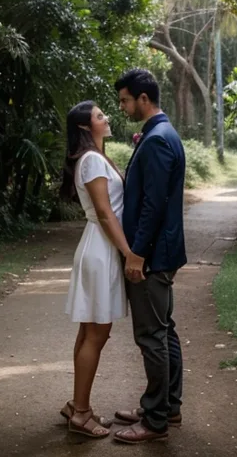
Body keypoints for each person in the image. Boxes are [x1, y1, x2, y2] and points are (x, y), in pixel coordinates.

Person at [113, 69, 187, 445]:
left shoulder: (157, 139)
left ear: (144, 98)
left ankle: (155, 419)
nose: (122, 107)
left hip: (153, 254)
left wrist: (137, 253)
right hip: (162, 252)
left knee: (151, 335)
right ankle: (167, 406)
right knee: (164, 329)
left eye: (125, 100)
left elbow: (153, 205)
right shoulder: (162, 133)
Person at [60, 100, 130, 439]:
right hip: (100, 248)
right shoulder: (91, 160)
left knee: (89, 333)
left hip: (100, 247)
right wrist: (129, 253)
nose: (107, 117)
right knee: (96, 334)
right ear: (86, 127)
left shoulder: (96, 158)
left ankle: (77, 405)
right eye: (100, 115)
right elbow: (105, 213)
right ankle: (82, 413)